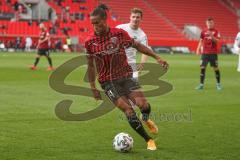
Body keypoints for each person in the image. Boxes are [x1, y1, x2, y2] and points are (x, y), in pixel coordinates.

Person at [85, 4, 169, 151]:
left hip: (126, 77)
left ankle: (146, 119)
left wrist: (157, 57)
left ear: (105, 20)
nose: (95, 26)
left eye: (97, 23)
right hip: (108, 83)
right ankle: (148, 140)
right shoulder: (90, 42)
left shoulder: (119, 34)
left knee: (144, 105)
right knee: (129, 111)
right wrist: (93, 88)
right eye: (92, 23)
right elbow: (91, 66)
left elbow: (137, 46)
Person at [116, 8, 149, 79]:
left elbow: (145, 51)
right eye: (133, 17)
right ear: (130, 17)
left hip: (131, 65)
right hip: (116, 64)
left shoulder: (142, 35)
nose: (135, 19)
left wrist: (142, 63)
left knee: (135, 89)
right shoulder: (120, 28)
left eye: (137, 17)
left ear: (141, 19)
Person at [196, 17, 221, 90]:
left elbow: (217, 41)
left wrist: (211, 35)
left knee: (215, 68)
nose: (209, 24)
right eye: (208, 23)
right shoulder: (203, 31)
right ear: (206, 23)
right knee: (202, 68)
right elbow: (200, 41)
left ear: (213, 23)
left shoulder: (216, 31)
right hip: (204, 53)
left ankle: (218, 84)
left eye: (211, 23)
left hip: (213, 53)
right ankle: (201, 85)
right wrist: (198, 49)